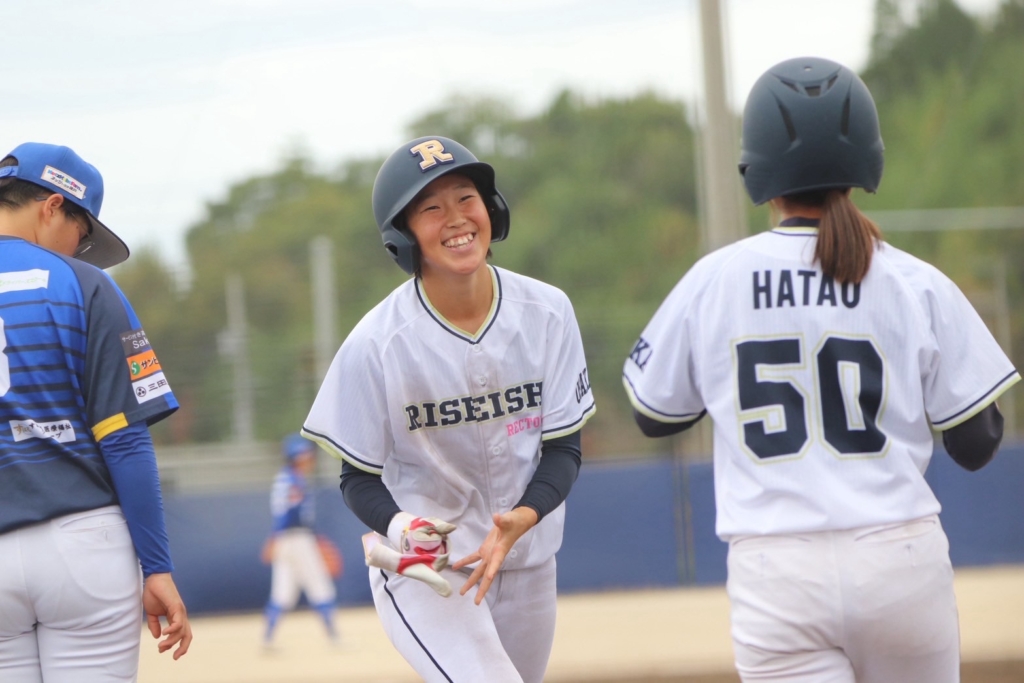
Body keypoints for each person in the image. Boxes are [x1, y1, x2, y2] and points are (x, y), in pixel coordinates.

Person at [622, 57, 1019, 683]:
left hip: (777, 571)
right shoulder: (913, 279)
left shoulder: (715, 279)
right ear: (867, 158)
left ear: (756, 169)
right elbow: (976, 442)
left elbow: (654, 414)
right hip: (899, 560)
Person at [302, 135, 595, 682]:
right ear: (403, 235)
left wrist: (525, 515)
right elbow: (356, 477)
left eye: (466, 198)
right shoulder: (377, 343)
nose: (456, 218)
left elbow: (563, 448)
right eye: (431, 208)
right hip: (429, 570)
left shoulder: (548, 312)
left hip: (527, 558)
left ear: (491, 209)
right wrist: (399, 524)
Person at [0, 142, 192, 681]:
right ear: (53, 206)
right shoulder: (85, 285)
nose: (80, 250)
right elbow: (124, 439)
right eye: (83, 235)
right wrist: (157, 566)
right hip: (83, 546)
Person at [262, 433, 340, 645]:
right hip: (297, 538)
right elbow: (291, 512)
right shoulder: (294, 479)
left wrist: (276, 537)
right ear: (297, 456)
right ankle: (334, 637)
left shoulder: (284, 477)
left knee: (282, 592)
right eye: (306, 454)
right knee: (320, 585)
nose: (310, 458)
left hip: (285, 539)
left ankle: (267, 639)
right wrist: (310, 536)